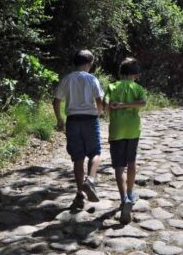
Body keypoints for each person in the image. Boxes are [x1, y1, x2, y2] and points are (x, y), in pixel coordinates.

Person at [53, 49, 104, 210]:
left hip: (73, 121)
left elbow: (56, 101)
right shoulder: (92, 78)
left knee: (78, 158)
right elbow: (99, 99)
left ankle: (80, 193)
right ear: (89, 64)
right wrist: (100, 112)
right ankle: (90, 180)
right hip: (90, 119)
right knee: (95, 153)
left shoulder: (67, 79)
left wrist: (60, 120)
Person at [104, 57, 147, 224]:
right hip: (133, 130)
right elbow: (142, 103)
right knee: (131, 162)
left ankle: (124, 199)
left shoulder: (112, 86)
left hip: (116, 131)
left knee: (119, 167)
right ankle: (130, 192)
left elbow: (106, 105)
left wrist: (114, 106)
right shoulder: (137, 87)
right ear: (135, 75)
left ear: (120, 73)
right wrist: (125, 105)